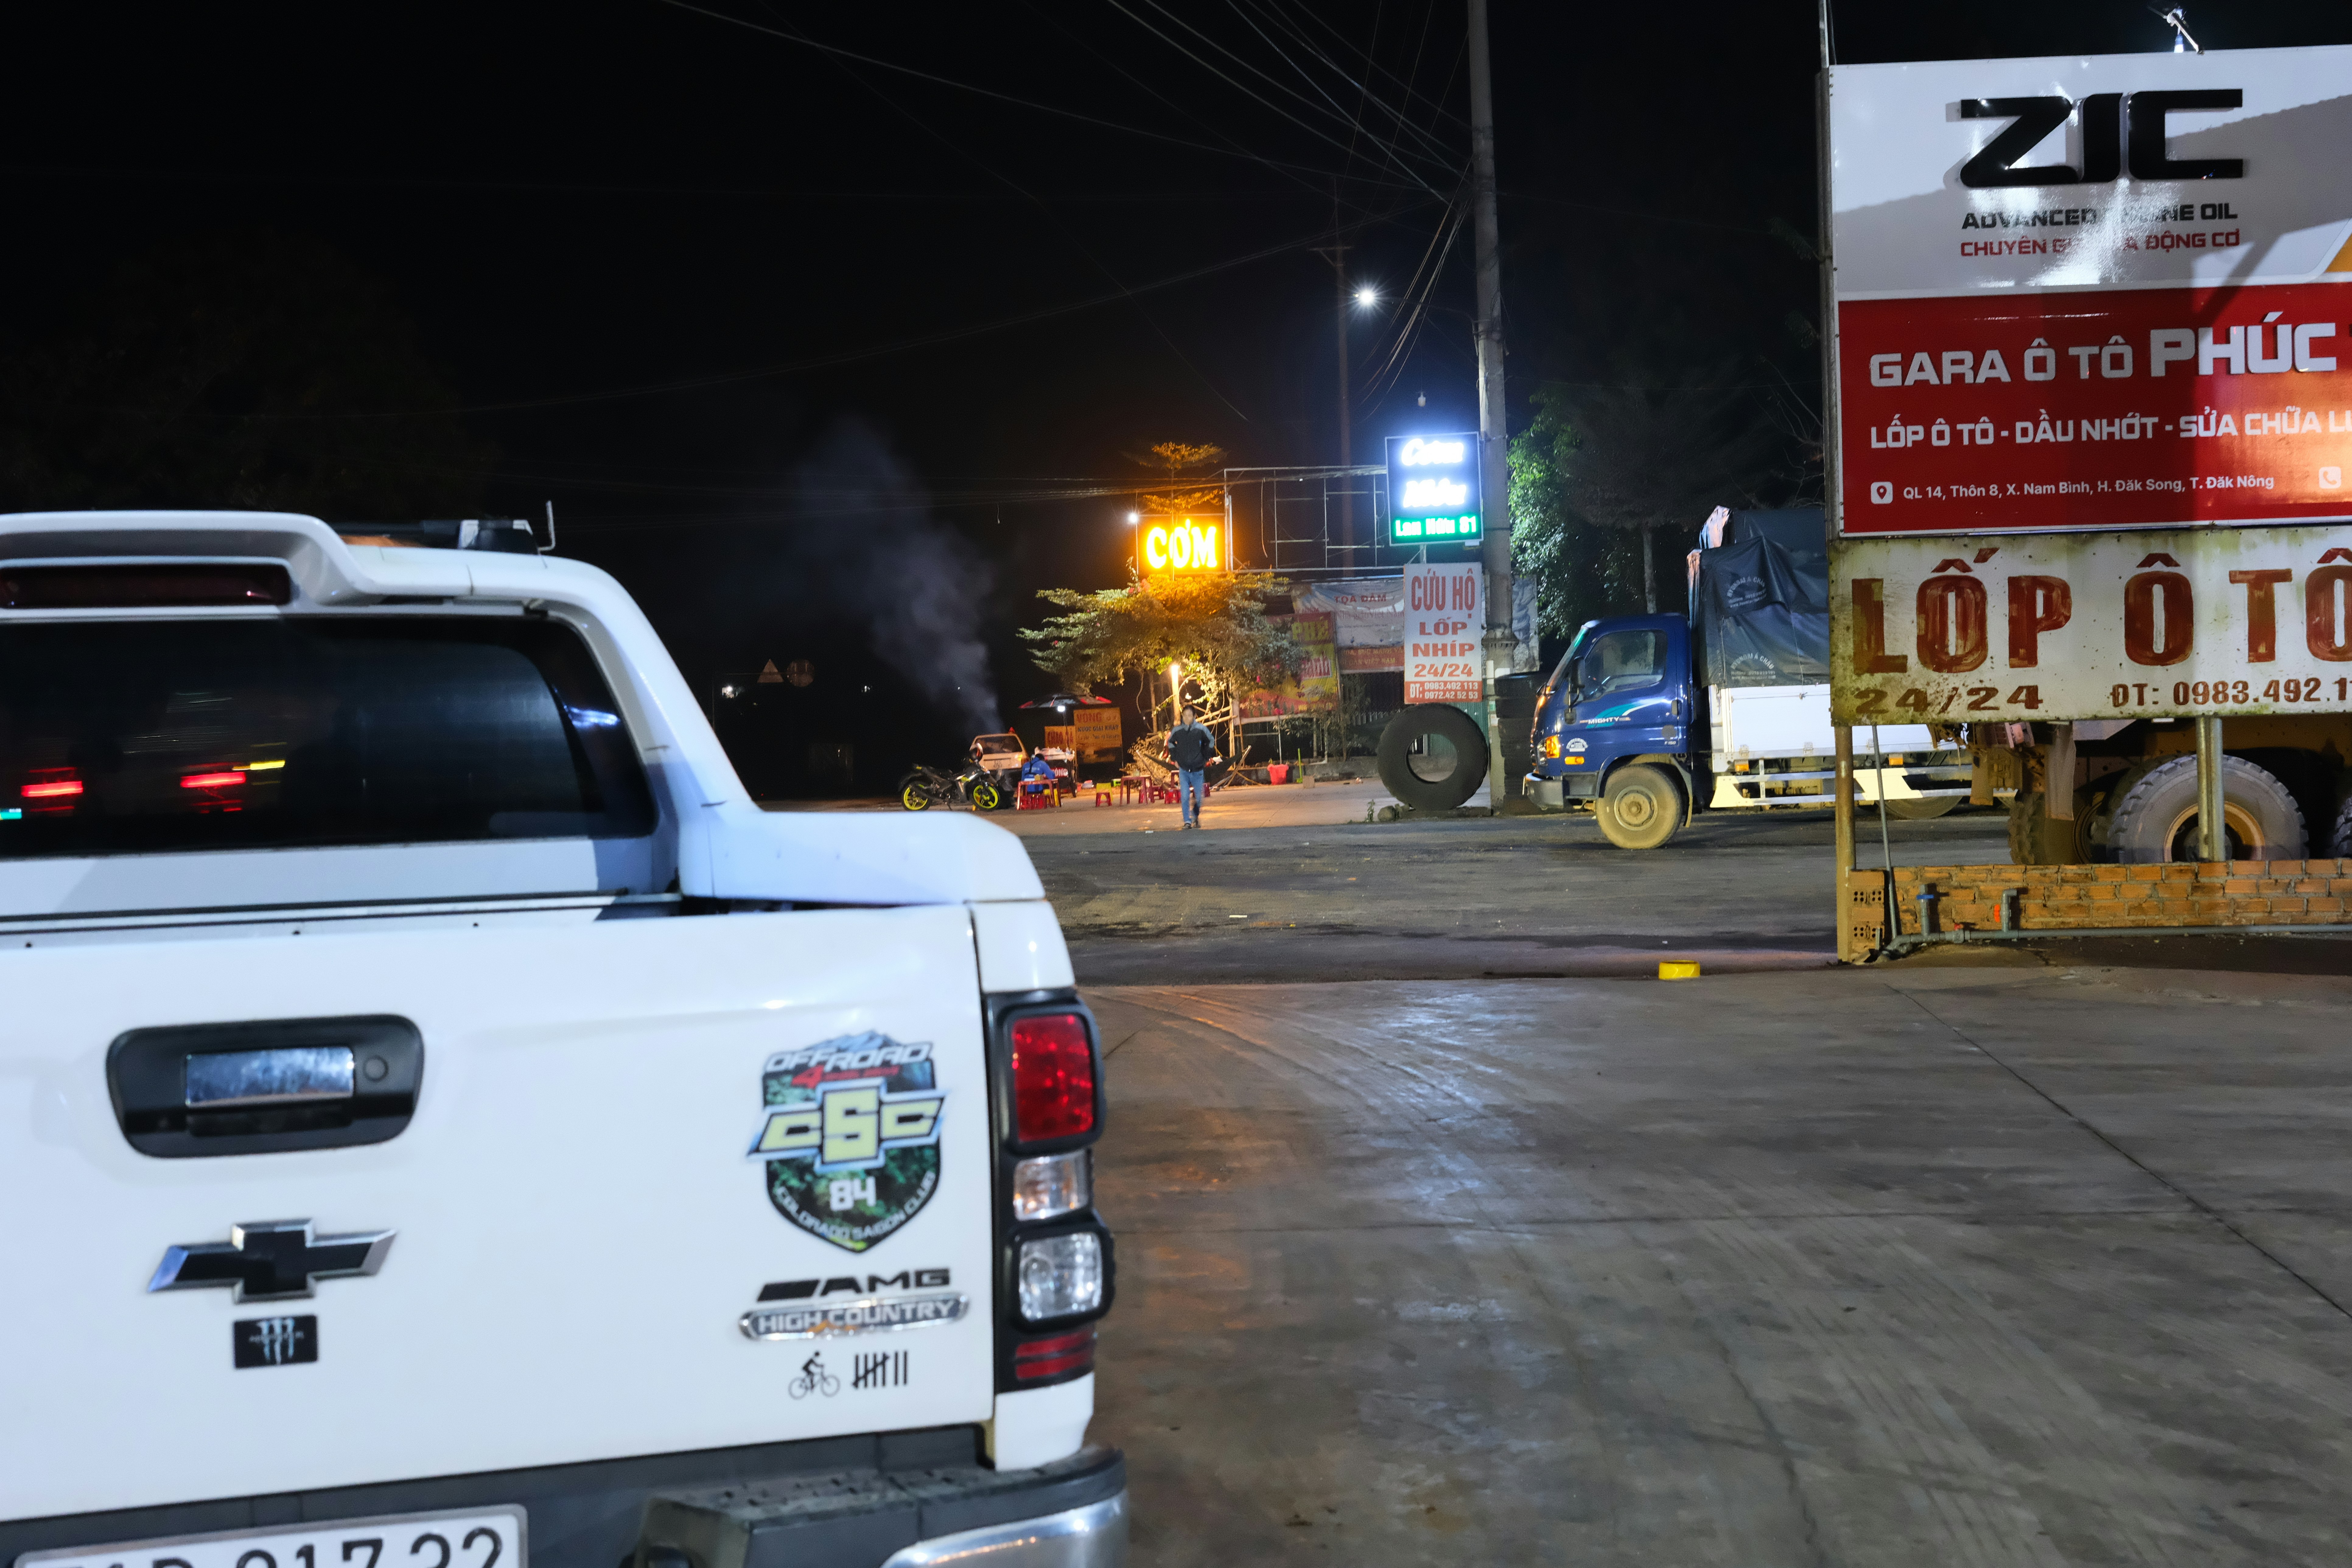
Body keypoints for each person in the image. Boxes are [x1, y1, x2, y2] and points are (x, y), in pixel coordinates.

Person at [1165, 705, 1221, 829]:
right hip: (1184, 770)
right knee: (1185, 796)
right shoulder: (1177, 731)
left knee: (1199, 798)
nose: (1187, 718)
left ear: (1195, 716)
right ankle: (1187, 822)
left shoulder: (1201, 730)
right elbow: (1170, 743)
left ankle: (1195, 816)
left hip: (1198, 770)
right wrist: (1175, 759)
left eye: (1190, 715)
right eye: (1185, 715)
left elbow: (1211, 741)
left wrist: (1206, 756)